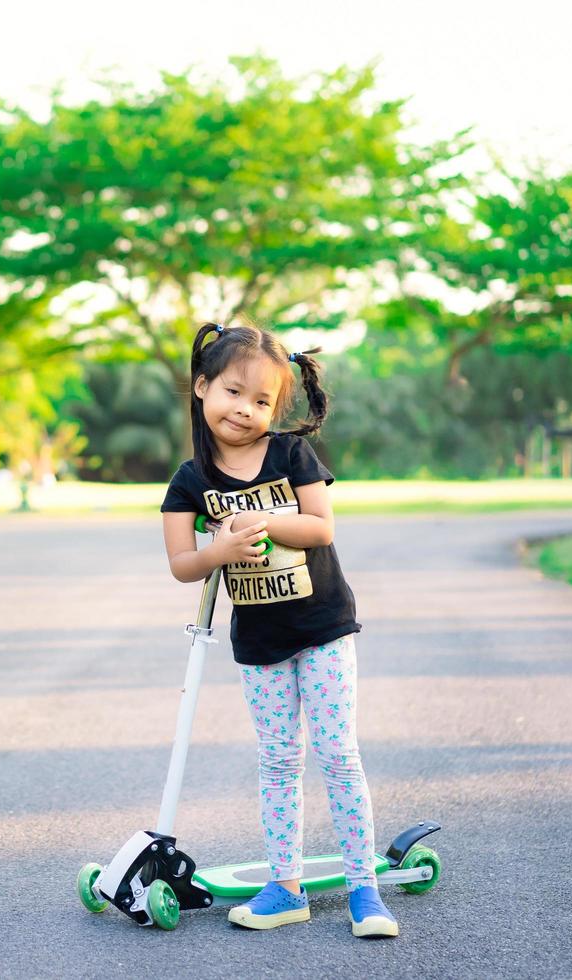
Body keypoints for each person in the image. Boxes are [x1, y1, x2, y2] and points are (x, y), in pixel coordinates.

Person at [159, 320, 398, 939]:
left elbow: (321, 527)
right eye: (233, 392)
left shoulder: (291, 455)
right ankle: (284, 885)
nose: (245, 410)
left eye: (262, 401)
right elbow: (184, 566)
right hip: (260, 641)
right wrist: (221, 548)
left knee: (338, 753)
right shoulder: (191, 481)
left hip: (322, 625)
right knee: (278, 759)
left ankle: (363, 890)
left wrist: (265, 518)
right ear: (202, 387)